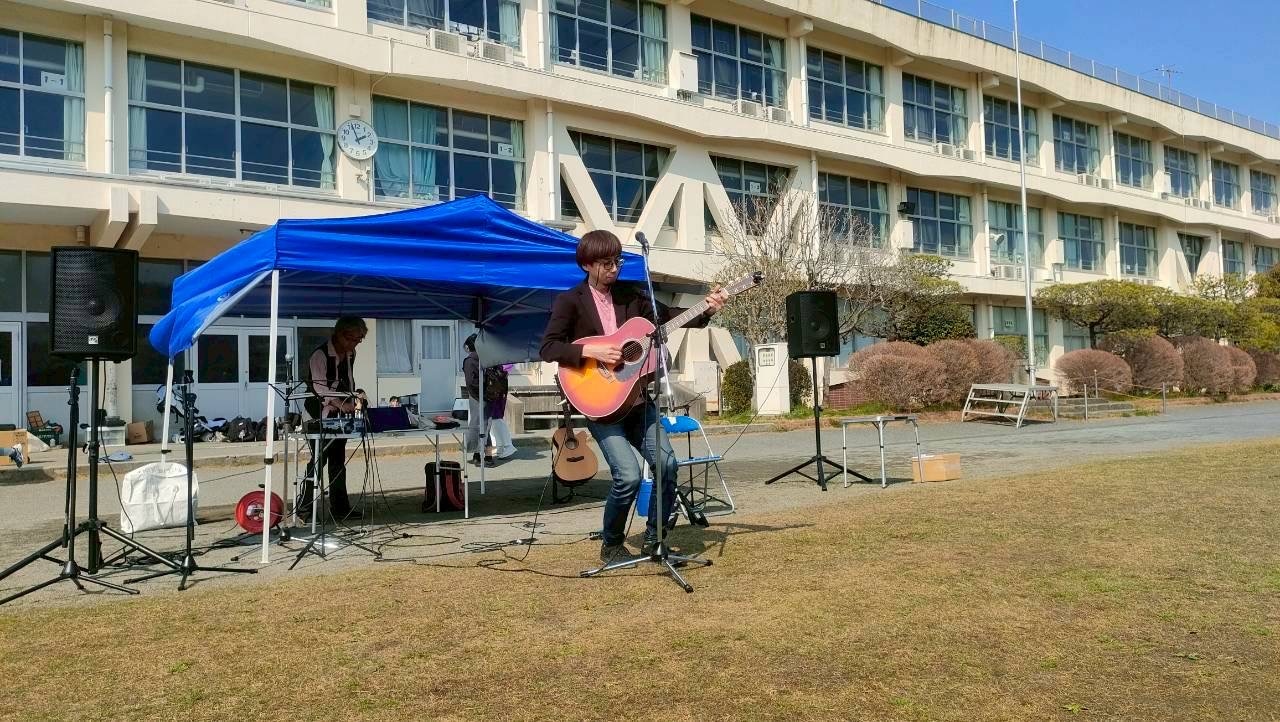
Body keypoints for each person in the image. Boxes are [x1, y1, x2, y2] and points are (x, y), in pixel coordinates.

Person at [540, 230, 726, 563]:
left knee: (667, 464)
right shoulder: (570, 301)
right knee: (627, 475)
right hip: (600, 403)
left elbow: (669, 317)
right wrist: (593, 350)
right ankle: (611, 543)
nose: (614, 268)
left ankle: (655, 539)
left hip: (638, 402)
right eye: (606, 263)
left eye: (617, 261)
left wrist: (707, 309)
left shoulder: (633, 296)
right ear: (587, 264)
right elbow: (549, 347)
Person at [301, 316, 367, 520]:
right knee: (318, 461)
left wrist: (355, 398)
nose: (355, 343)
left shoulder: (350, 353)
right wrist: (341, 404)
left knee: (338, 462)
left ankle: (340, 509)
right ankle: (305, 509)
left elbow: (348, 381)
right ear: (340, 334)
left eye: (359, 339)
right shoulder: (319, 355)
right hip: (317, 415)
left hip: (338, 416)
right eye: (353, 339)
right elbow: (320, 389)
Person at [462, 334, 496, 467]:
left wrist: (477, 395)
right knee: (484, 426)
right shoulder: (487, 358)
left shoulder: (470, 361)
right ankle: (486, 456)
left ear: (469, 346)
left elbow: (470, 382)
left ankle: (479, 456)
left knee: (477, 426)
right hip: (490, 395)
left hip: (477, 397)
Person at [487, 364, 517, 459]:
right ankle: (500, 446)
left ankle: (507, 445)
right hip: (497, 384)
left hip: (497, 384)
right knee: (493, 418)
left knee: (496, 418)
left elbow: (508, 365)